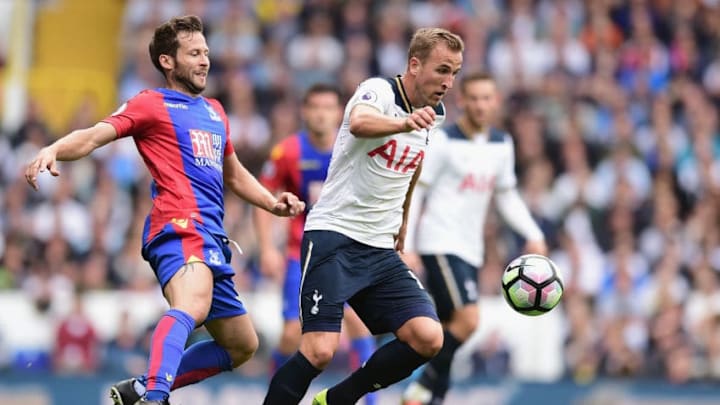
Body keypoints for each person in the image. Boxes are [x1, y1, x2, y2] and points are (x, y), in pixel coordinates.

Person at [24, 15, 305, 405]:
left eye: (206, 52)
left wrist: (273, 203)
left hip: (212, 238)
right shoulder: (150, 104)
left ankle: (142, 387)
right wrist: (53, 149)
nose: (205, 60)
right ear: (168, 62)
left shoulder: (215, 112)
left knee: (242, 344)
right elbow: (92, 137)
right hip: (178, 226)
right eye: (194, 53)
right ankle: (154, 398)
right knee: (193, 304)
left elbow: (235, 175)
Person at [262, 27, 465, 405]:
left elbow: (413, 164)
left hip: (378, 247)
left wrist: (403, 220)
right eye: (442, 70)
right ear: (415, 64)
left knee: (428, 337)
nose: (449, 82)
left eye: (454, 72)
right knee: (319, 350)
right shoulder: (379, 91)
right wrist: (404, 122)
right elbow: (359, 122)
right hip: (333, 238)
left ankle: (336, 400)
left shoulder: (434, 114)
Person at [401, 72, 547, 405]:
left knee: (449, 328)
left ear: (495, 102)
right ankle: (420, 387)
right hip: (438, 242)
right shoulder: (444, 141)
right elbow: (418, 191)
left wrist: (533, 234)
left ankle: (432, 397)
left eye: (487, 98)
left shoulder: (501, 144)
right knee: (468, 321)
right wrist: (407, 244)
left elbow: (507, 196)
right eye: (474, 98)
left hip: (470, 249)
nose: (481, 105)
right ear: (462, 101)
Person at [254, 83, 378, 405]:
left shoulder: (356, 147)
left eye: (328, 107)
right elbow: (263, 198)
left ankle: (370, 401)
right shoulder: (289, 152)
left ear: (340, 113)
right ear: (305, 112)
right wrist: (267, 247)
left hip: (349, 252)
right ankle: (276, 392)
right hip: (302, 256)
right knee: (291, 334)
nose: (322, 114)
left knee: (358, 323)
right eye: (315, 107)